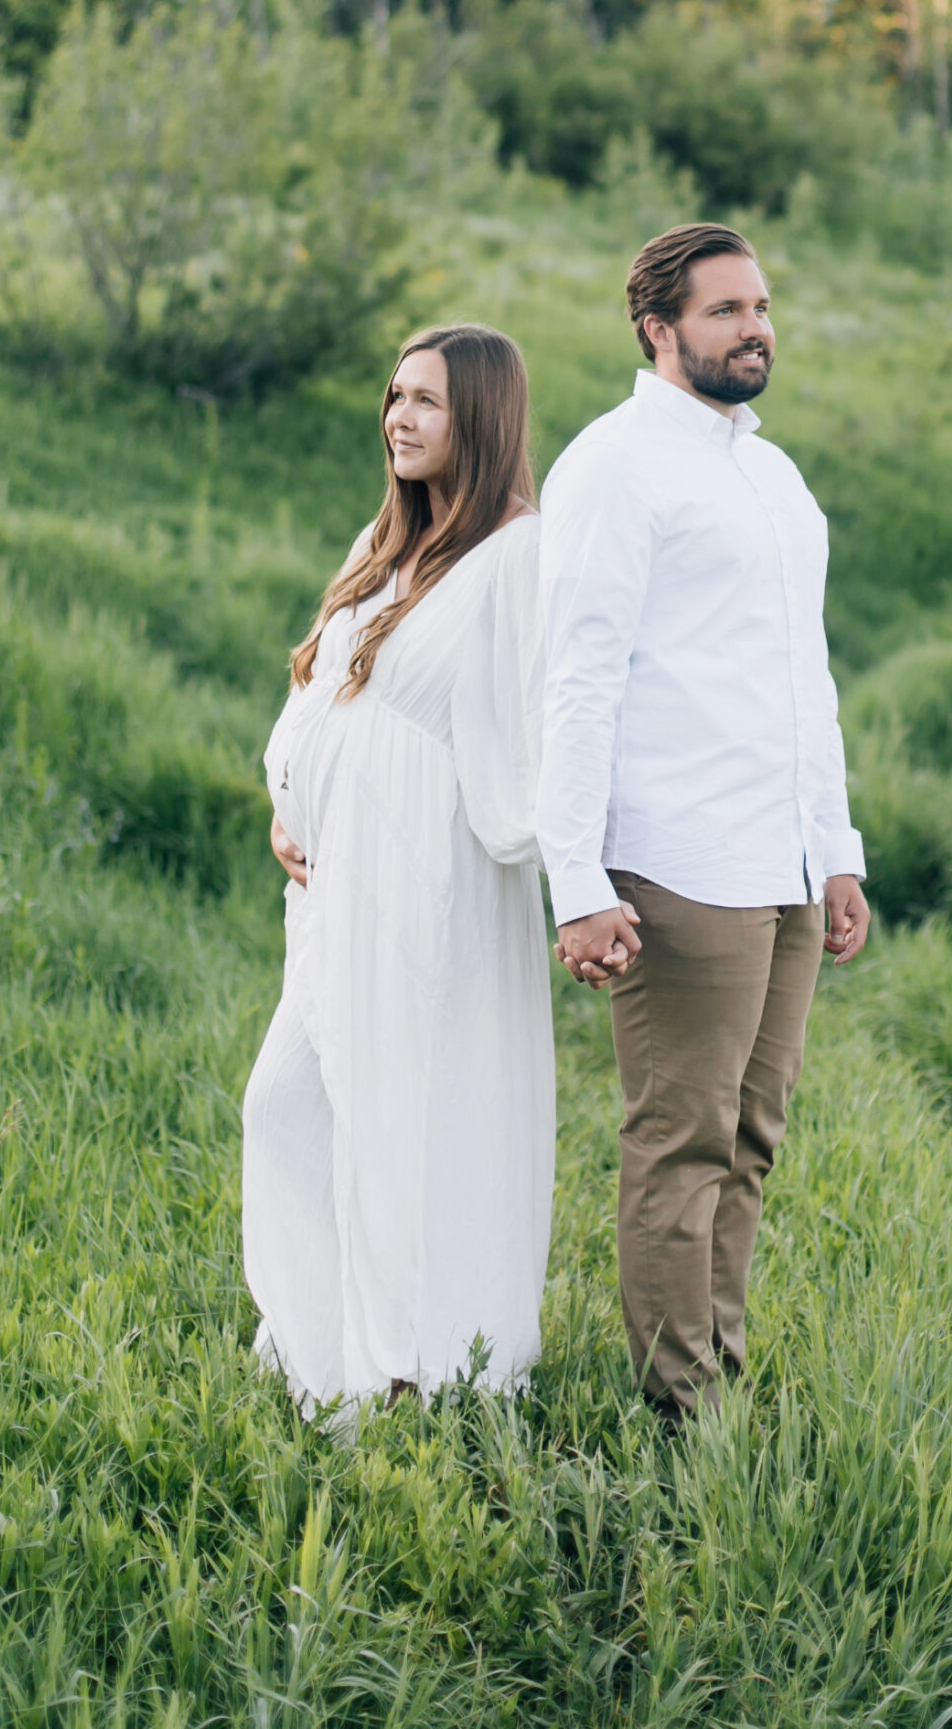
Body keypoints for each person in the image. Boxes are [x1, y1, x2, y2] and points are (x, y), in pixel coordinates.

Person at [537, 224, 871, 1424]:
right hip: (677, 862)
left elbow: (803, 679)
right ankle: (680, 1419)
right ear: (657, 329)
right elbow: (574, 678)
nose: (754, 327)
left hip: (778, 861)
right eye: (726, 309)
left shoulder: (770, 477)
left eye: (763, 305)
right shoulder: (614, 466)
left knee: (750, 1142)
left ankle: (718, 1378)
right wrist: (575, 876)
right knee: (680, 1147)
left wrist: (833, 852)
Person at [242, 324, 552, 1410]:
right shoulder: (382, 543)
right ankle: (319, 1350)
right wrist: (289, 803)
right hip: (334, 886)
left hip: (430, 884)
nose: (398, 417)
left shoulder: (515, 554)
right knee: (287, 1106)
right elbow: (318, 697)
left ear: (482, 416)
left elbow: (533, 731)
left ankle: (417, 1370)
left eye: (426, 400)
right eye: (392, 396)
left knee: (409, 1120)